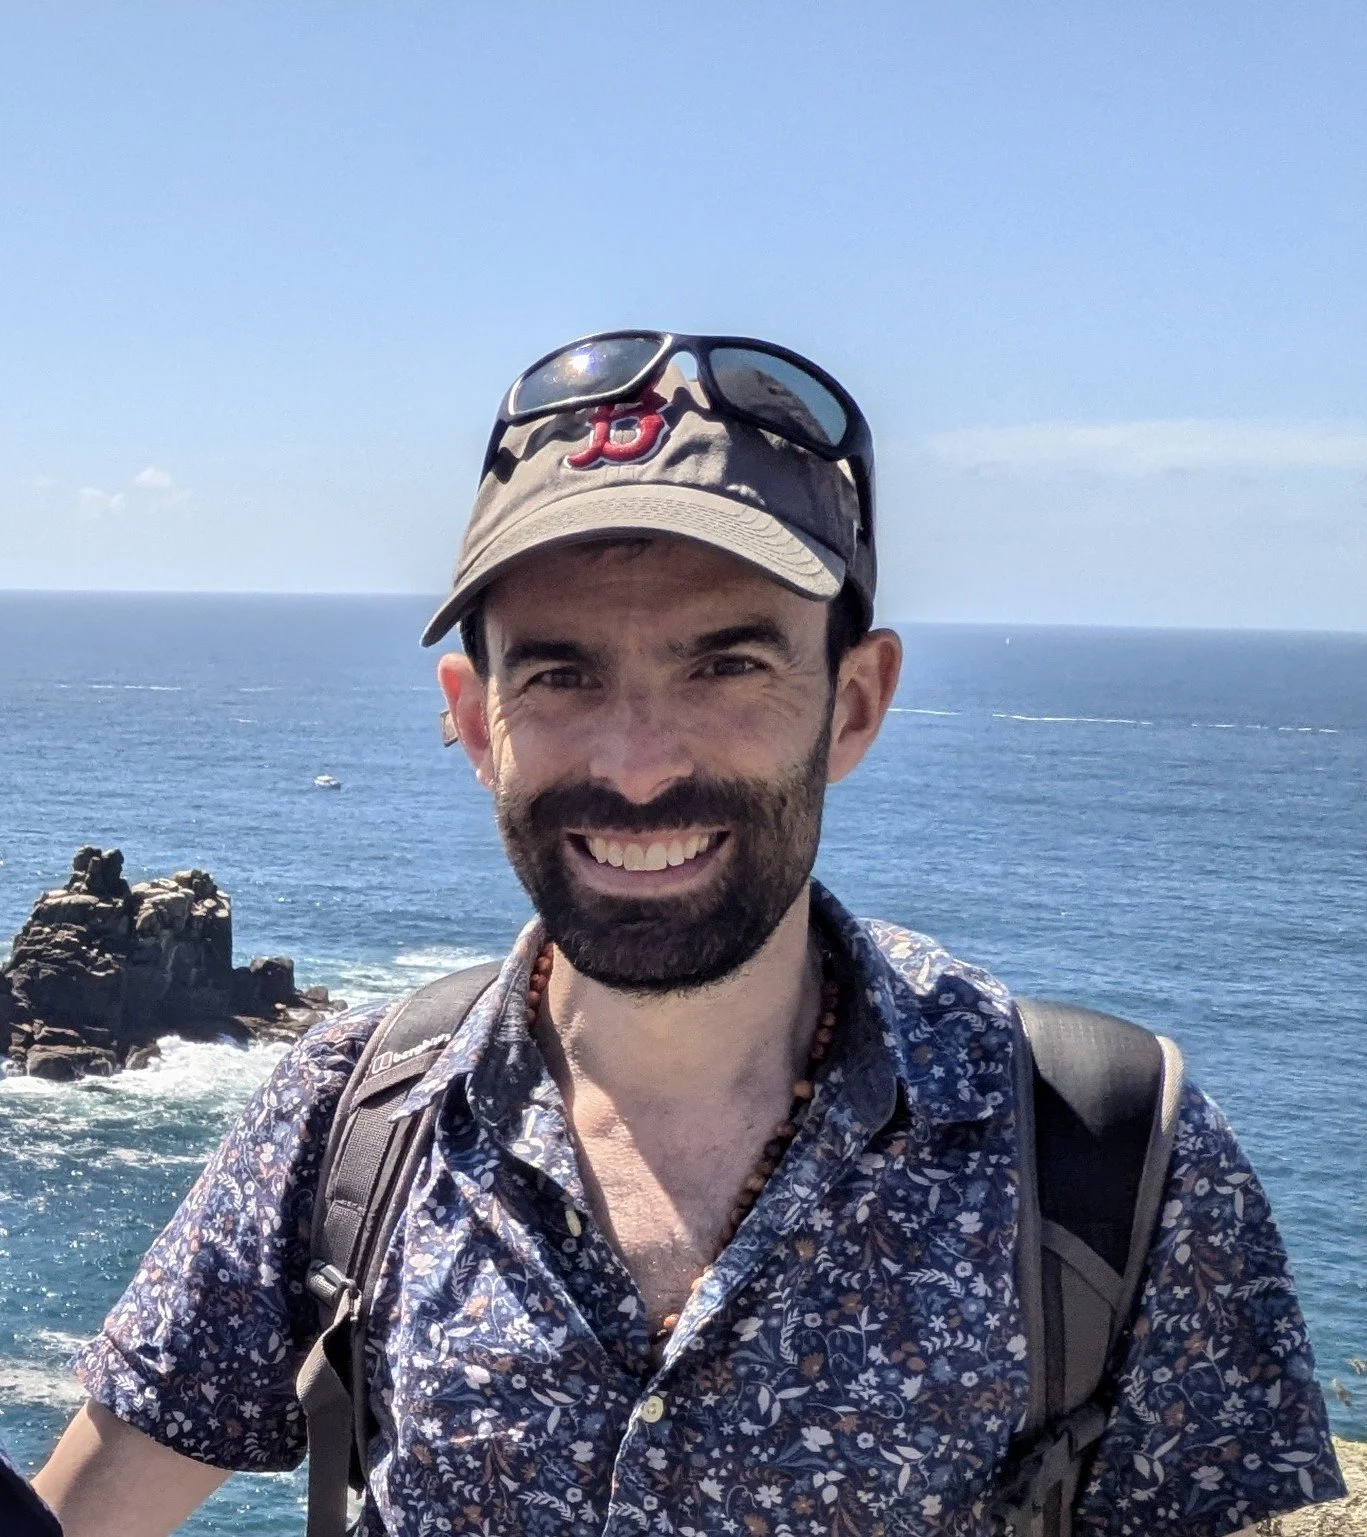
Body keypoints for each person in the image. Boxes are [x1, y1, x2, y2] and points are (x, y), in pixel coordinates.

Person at [36, 333, 1344, 1536]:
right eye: (560, 674)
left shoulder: (1108, 1158)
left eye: (726, 666)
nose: (639, 766)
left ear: (854, 701)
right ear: (474, 717)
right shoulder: (348, 1122)